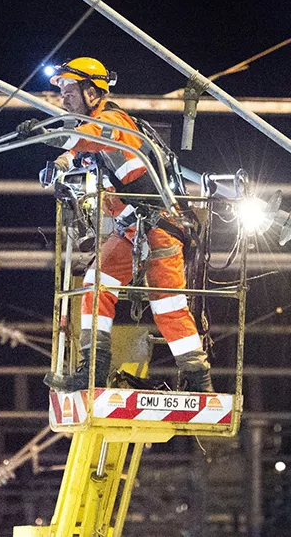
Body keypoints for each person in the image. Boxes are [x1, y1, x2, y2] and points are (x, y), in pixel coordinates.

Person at [19, 58, 214, 393]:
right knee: (96, 285)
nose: (63, 99)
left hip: (158, 228)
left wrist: (44, 134)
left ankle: (200, 381)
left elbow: (82, 138)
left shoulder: (112, 121)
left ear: (91, 92)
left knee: (168, 305)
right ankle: (92, 371)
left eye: (68, 91)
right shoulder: (99, 128)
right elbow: (82, 150)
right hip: (132, 229)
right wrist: (60, 163)